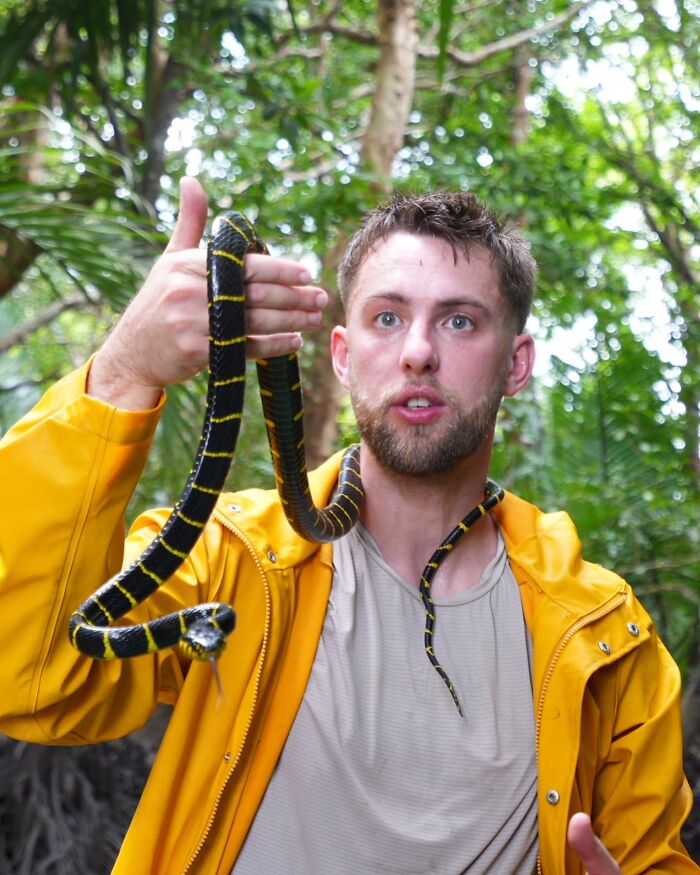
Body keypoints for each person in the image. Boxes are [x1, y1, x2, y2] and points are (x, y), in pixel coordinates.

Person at [0, 176, 696, 875]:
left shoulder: (606, 638)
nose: (417, 352)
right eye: (387, 318)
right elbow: (29, 676)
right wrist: (123, 370)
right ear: (341, 355)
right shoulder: (232, 558)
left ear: (515, 364)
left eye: (459, 321)